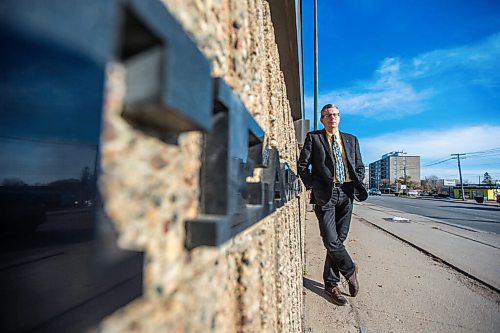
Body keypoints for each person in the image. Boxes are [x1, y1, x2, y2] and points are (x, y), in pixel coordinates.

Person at [298, 103, 368, 306]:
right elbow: (303, 165)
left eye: (336, 114)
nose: (333, 118)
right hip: (325, 195)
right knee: (331, 239)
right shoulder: (314, 138)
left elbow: (359, 165)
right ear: (322, 119)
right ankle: (350, 270)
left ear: (340, 117)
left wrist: (357, 181)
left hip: (347, 193)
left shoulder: (351, 139)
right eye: (328, 115)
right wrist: (312, 186)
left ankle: (331, 284)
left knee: (339, 239)